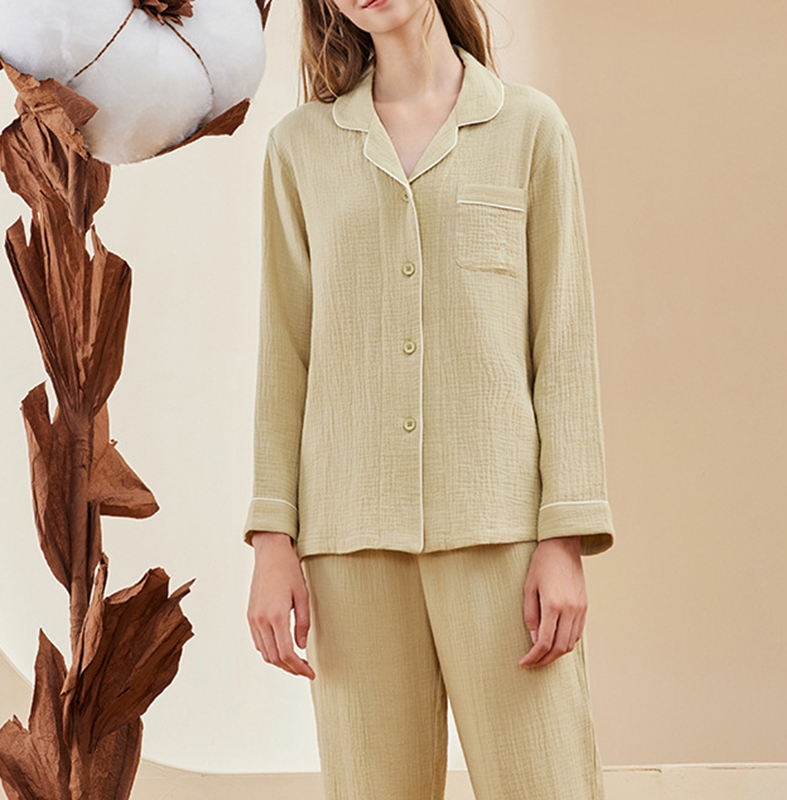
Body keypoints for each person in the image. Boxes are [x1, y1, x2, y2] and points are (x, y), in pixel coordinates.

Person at [244, 0, 616, 797]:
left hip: (502, 533)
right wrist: (273, 540)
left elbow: (564, 342)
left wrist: (565, 538)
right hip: (350, 542)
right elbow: (285, 352)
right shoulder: (299, 149)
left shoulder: (530, 130)